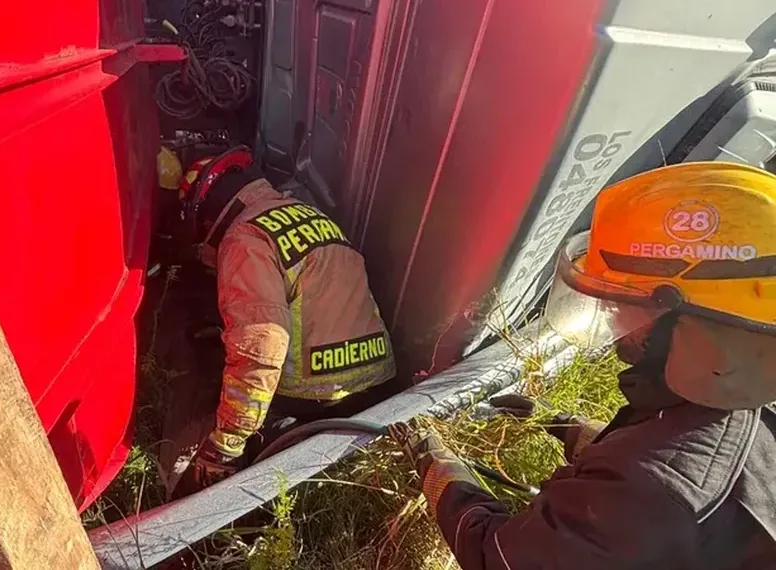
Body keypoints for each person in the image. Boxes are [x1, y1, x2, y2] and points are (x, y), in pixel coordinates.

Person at [393, 162, 776, 569]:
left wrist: (433, 464)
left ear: (697, 334)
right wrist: (561, 424)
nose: (609, 309)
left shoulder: (642, 500)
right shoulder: (737, 406)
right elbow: (663, 461)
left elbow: (493, 556)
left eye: (624, 298)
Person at [172, 146, 396, 497]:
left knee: (216, 376)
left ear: (207, 212)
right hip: (377, 382)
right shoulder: (310, 214)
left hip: (314, 396)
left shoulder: (244, 238)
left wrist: (227, 444)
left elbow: (260, 345)